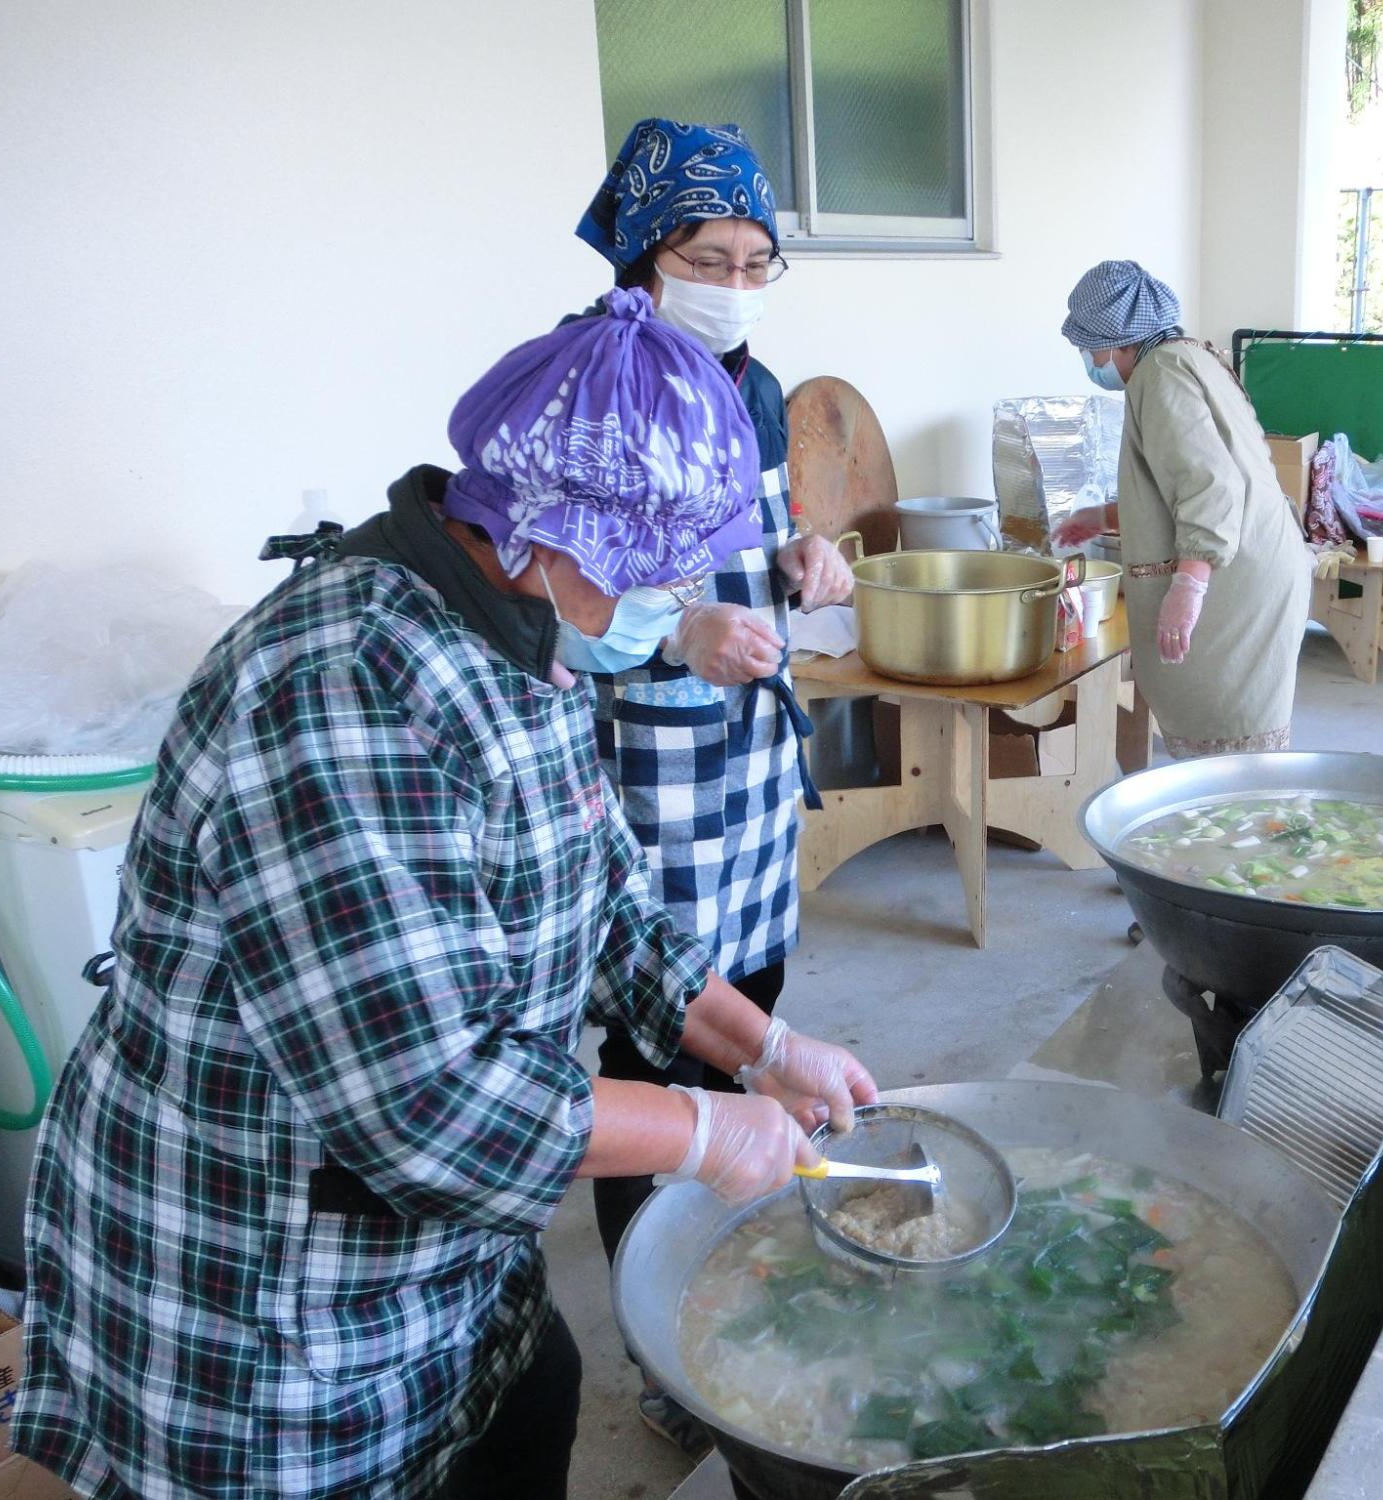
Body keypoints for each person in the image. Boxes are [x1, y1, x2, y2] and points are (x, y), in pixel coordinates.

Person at [9, 294, 877, 1500]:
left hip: (446, 1258)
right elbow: (428, 1105)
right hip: (270, 1298)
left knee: (532, 1401)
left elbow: (607, 902)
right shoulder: (344, 691)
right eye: (650, 566)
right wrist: (701, 1134)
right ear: (540, 527)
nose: (671, 596)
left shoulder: (526, 631)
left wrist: (761, 1047)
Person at [572, 119, 855, 1448]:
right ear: (642, 261)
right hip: (652, 756)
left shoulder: (750, 384)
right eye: (707, 257)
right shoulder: (596, 388)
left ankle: (733, 1238)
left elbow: (767, 524)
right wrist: (675, 631)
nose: (733, 284)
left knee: (758, 996)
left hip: (746, 753)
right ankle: (650, 1327)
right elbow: (568, 601)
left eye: (757, 261)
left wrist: (807, 560)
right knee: (658, 1035)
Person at [1054, 260, 1312, 758]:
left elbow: (1209, 487)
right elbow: (1178, 481)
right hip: (1259, 558)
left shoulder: (1160, 375)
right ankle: (1245, 826)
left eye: (1087, 347)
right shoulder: (1189, 356)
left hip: (1234, 578)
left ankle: (1244, 831)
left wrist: (1189, 586)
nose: (1088, 359)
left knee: (1229, 751)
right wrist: (1104, 516)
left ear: (1116, 340)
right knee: (1238, 744)